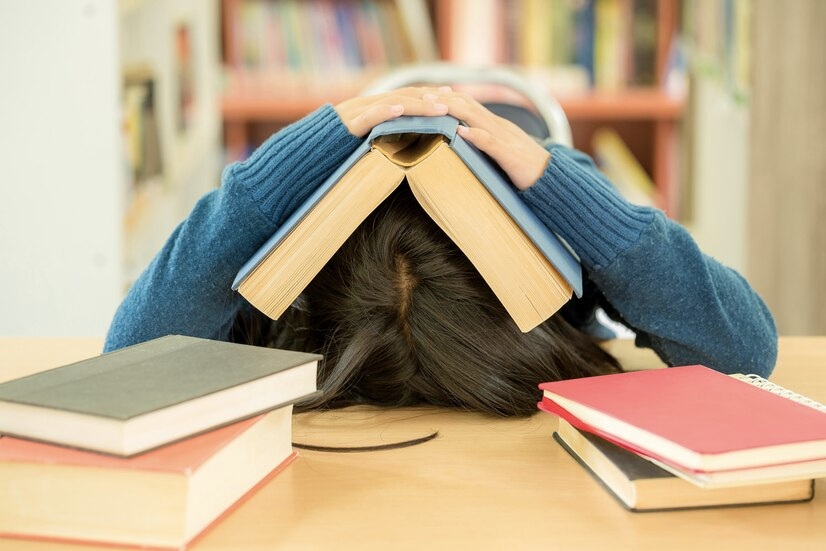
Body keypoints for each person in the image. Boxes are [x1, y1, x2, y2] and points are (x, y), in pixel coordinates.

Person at [104, 87, 778, 417]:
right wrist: (565, 187)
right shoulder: (561, 265)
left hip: (507, 137)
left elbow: (745, 353)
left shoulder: (555, 241)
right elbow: (130, 362)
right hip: (505, 139)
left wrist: (271, 181)